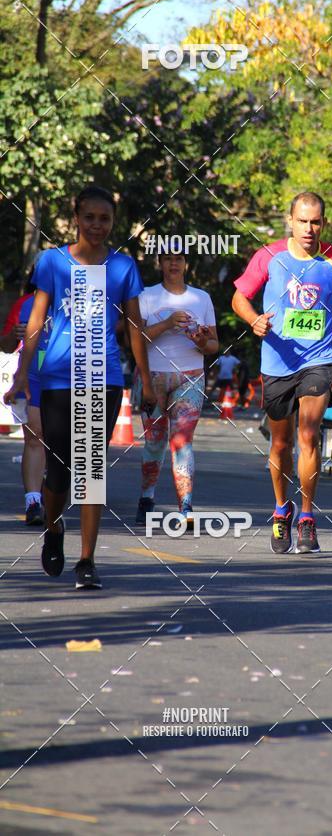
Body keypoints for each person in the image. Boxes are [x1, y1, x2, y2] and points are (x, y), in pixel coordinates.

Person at [4, 185, 156, 589]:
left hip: (102, 378)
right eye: (90, 217)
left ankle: (87, 560)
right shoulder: (52, 262)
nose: (97, 225)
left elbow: (135, 327)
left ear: (112, 223)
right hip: (56, 377)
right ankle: (54, 531)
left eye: (104, 219)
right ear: (76, 217)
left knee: (91, 470)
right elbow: (37, 317)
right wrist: (22, 370)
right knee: (58, 475)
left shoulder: (123, 268)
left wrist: (146, 376)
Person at [232, 191, 332, 554]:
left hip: (318, 358)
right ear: (290, 221)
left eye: (315, 222)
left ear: (324, 223)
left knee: (308, 434)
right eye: (302, 221)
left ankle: (306, 517)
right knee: (281, 443)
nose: (308, 228)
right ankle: (280, 510)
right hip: (277, 362)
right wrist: (253, 320)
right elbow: (239, 297)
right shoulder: (269, 257)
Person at [134, 249, 218, 526]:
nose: (173, 263)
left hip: (190, 376)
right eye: (168, 258)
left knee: (182, 441)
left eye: (179, 258)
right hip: (153, 375)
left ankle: (186, 506)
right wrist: (168, 323)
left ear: (186, 263)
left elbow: (213, 345)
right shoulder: (146, 295)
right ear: (159, 263)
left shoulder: (201, 298)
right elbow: (138, 338)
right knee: (155, 442)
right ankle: (147, 497)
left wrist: (201, 341)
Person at [1, 266, 50, 525]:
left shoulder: (79, 303)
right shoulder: (24, 304)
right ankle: (33, 501)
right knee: (35, 437)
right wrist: (13, 335)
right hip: (33, 377)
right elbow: (7, 345)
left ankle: (53, 494)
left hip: (69, 378)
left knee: (61, 444)